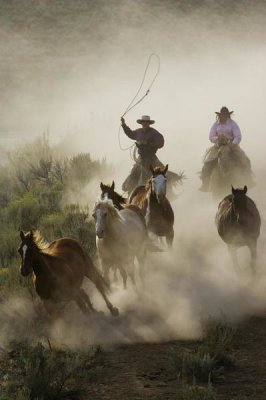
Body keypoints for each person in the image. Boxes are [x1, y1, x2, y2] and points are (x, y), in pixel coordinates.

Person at [199, 106, 253, 192]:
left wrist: (233, 143)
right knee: (207, 163)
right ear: (219, 115)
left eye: (225, 115)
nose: (223, 116)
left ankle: (249, 180)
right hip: (218, 145)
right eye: (222, 115)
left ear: (228, 115)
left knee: (244, 159)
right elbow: (211, 136)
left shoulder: (233, 124)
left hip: (231, 145)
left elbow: (238, 136)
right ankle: (205, 184)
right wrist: (217, 139)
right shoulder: (215, 124)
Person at [121, 115, 165, 193]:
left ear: (149, 123)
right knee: (133, 172)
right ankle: (129, 189)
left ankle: (167, 191)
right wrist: (124, 125)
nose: (144, 124)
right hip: (141, 157)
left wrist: (149, 144)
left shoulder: (154, 132)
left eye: (146, 122)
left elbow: (161, 143)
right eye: (143, 122)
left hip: (151, 157)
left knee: (163, 171)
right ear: (141, 123)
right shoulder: (139, 132)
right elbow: (130, 134)